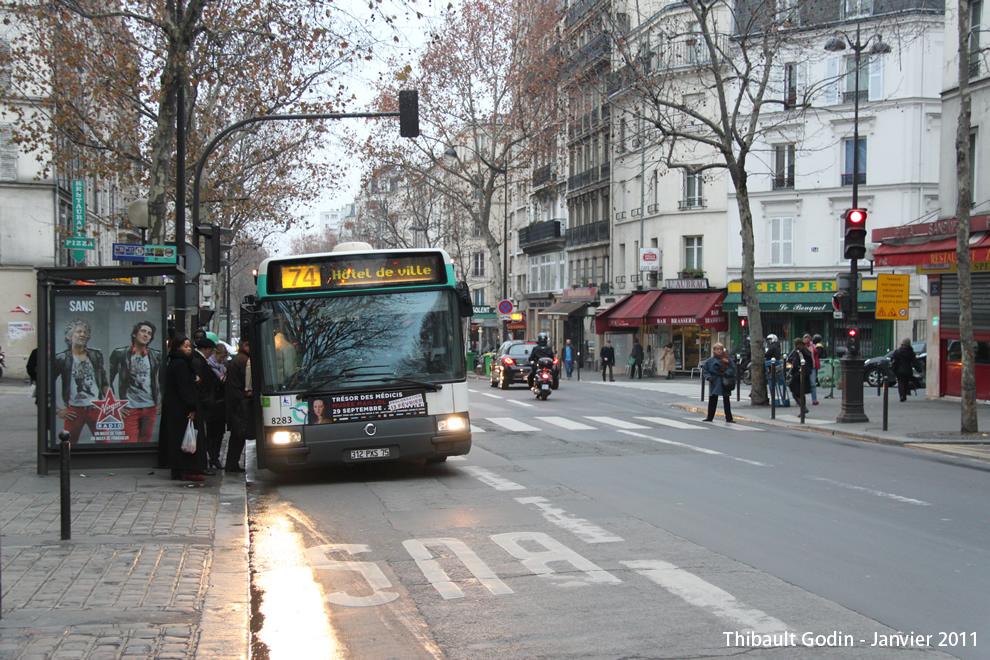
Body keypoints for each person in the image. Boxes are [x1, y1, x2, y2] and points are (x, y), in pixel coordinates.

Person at [54, 318, 110, 444]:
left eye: (85, 332)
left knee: (104, 443)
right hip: (74, 410)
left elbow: (104, 382)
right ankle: (69, 464)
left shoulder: (96, 355)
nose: (83, 335)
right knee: (69, 443)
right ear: (70, 336)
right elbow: (47, 384)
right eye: (79, 332)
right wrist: (57, 410)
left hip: (96, 408)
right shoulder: (62, 358)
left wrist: (111, 403)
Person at [108, 321, 162, 444]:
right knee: (127, 443)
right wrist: (115, 404)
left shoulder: (156, 356)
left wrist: (161, 401)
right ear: (134, 334)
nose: (146, 335)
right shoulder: (120, 354)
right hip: (130, 408)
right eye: (143, 331)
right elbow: (107, 379)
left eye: (149, 333)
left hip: (150, 407)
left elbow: (163, 380)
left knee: (145, 442)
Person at [162, 335, 205, 482]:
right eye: (185, 346)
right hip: (182, 409)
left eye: (189, 346)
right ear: (177, 348)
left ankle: (178, 469)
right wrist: (191, 408)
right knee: (187, 438)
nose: (188, 349)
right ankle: (188, 469)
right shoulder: (181, 363)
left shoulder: (175, 362)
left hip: (175, 408)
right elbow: (184, 387)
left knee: (178, 438)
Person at [190, 338, 219, 475]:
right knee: (201, 435)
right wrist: (206, 400)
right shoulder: (198, 361)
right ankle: (201, 465)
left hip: (204, 403)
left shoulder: (200, 361)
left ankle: (203, 463)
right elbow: (201, 384)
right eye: (210, 351)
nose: (211, 354)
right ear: (203, 350)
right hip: (202, 404)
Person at [224, 338, 252, 473]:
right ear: (245, 346)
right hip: (239, 403)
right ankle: (232, 463)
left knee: (237, 435)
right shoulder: (243, 361)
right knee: (238, 435)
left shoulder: (239, 359)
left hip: (236, 401)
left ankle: (232, 462)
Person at [206, 339, 228, 469]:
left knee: (219, 432)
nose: (221, 360)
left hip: (220, 404)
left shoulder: (222, 367)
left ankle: (215, 456)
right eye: (220, 357)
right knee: (212, 432)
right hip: (213, 403)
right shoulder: (210, 366)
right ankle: (211, 455)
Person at [702, 343, 735, 423]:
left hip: (725, 381)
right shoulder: (710, 360)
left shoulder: (727, 359)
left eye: (720, 349)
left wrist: (726, 373)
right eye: (717, 349)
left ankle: (729, 418)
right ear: (714, 350)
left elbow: (733, 368)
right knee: (713, 399)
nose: (719, 351)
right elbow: (705, 370)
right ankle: (710, 417)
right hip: (715, 381)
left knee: (726, 400)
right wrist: (708, 377)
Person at [787, 338, 814, 414]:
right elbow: (811, 363)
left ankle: (803, 407)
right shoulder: (807, 351)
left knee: (794, 391)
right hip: (806, 373)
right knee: (802, 392)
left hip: (798, 374)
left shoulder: (798, 352)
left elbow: (795, 365)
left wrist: (791, 372)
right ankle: (803, 410)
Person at [803, 333, 820, 406]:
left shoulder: (813, 346)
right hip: (804, 367)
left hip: (812, 367)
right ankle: (800, 399)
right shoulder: (802, 347)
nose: (807, 339)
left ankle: (814, 399)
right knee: (802, 384)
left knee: (813, 383)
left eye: (808, 338)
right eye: (805, 338)